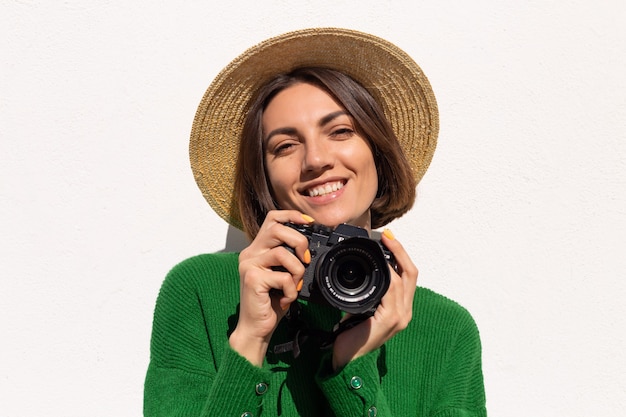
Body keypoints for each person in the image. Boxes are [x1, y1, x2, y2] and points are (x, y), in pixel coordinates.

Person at [144, 28, 486, 417]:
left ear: (378, 151)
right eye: (285, 146)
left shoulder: (447, 330)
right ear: (265, 177)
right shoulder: (201, 291)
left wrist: (352, 367)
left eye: (340, 131)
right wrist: (249, 342)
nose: (315, 160)